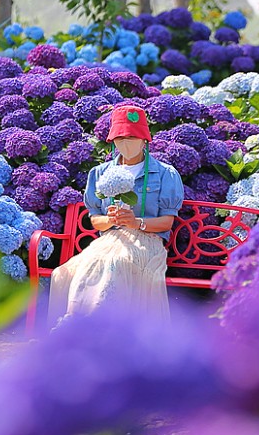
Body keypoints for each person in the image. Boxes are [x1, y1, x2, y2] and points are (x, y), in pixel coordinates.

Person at [47, 105, 185, 327]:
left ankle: (103, 331)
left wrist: (135, 222)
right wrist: (111, 220)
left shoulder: (165, 174)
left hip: (146, 241)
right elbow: (95, 219)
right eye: (120, 137)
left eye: (132, 136)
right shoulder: (100, 173)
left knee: (114, 263)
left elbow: (167, 222)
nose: (126, 143)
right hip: (108, 241)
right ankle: (72, 331)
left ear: (144, 139)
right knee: (63, 273)